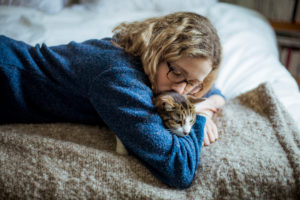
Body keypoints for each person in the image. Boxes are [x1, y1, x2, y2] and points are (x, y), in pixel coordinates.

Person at [0, 12, 225, 188]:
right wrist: (201, 115)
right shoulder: (120, 78)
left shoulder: (145, 55)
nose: (180, 89)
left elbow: (215, 92)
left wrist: (210, 98)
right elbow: (179, 168)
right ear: (159, 49)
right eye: (176, 72)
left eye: (193, 83)